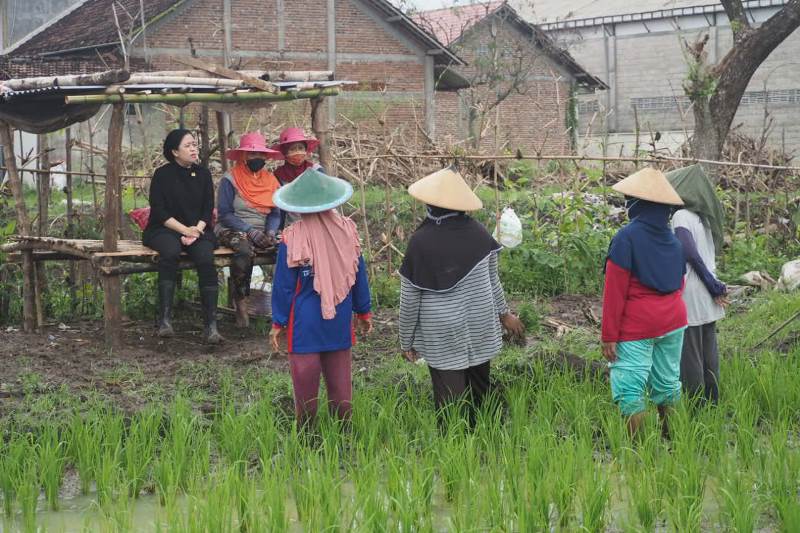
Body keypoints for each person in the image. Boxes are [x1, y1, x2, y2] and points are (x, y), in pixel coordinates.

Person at [398, 168, 524, 425]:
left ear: (432, 205)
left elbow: (410, 299)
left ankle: (455, 446)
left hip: (442, 330)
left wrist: (406, 340)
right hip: (479, 322)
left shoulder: (420, 241)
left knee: (450, 399)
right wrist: (504, 314)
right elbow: (493, 281)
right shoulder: (479, 233)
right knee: (480, 386)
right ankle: (490, 441)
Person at [269, 168, 372, 423]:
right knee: (340, 383)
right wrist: (364, 311)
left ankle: (307, 437)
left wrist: (278, 323)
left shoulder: (292, 237)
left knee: (305, 383)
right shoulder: (348, 231)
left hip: (305, 322)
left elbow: (283, 285)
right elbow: (359, 276)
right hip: (339, 317)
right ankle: (345, 434)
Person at [601, 167, 687, 437]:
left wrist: (608, 336)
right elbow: (680, 284)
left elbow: (614, 292)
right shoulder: (674, 242)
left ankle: (640, 452)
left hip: (638, 326)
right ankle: (672, 442)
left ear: (637, 205)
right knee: (667, 383)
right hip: (674, 321)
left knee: (629, 386)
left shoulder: (626, 238)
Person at [143, 129, 223, 344]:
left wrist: (196, 230)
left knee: (206, 257)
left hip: (198, 229)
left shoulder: (203, 174)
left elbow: (208, 209)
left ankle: (211, 326)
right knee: (170, 252)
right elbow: (159, 212)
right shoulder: (162, 175)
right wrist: (184, 231)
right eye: (188, 145)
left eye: (194, 144)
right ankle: (165, 320)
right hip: (165, 228)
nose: (193, 148)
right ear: (174, 151)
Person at [666, 165, 728, 406]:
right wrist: (714, 285)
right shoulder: (703, 218)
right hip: (707, 292)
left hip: (693, 292)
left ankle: (696, 409)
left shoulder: (681, 216)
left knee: (690, 356)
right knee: (709, 353)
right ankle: (712, 404)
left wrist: (712, 285)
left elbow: (689, 252)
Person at [215, 132, 282, 328]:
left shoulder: (271, 181)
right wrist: (250, 231)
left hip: (263, 230)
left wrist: (270, 232)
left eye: (261, 155)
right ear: (243, 156)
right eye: (252, 155)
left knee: (287, 248)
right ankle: (241, 303)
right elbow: (225, 214)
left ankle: (285, 304)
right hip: (232, 227)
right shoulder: (230, 179)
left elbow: (275, 213)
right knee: (244, 250)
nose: (257, 159)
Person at [270, 127, 322, 229]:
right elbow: (278, 207)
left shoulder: (316, 171)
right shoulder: (278, 175)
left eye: (300, 148)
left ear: (306, 150)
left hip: (317, 223)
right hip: (292, 226)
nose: (297, 152)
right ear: (285, 152)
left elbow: (326, 197)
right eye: (292, 149)